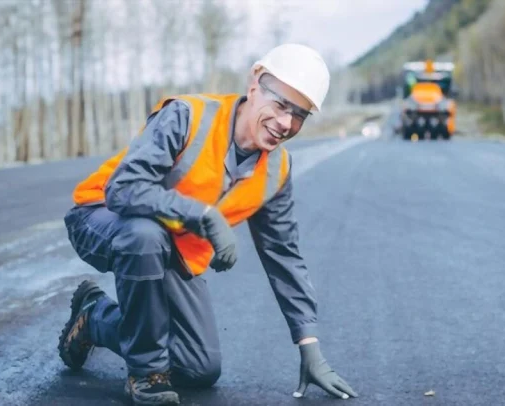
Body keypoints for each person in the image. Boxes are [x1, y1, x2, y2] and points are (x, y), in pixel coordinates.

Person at [58, 43, 358, 405]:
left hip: (171, 250)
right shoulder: (188, 116)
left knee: (198, 368)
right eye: (280, 105)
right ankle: (146, 376)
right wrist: (202, 215)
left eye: (300, 115)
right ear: (255, 83)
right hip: (101, 215)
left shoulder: (276, 169)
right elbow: (123, 189)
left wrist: (309, 344)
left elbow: (283, 255)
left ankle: (95, 317)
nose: (286, 124)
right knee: (144, 235)